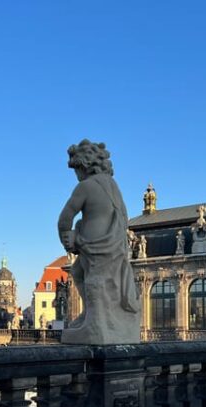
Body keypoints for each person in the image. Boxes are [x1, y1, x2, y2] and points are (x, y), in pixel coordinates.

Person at [58, 140, 140, 344]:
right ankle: (92, 316)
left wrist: (67, 237)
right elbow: (122, 216)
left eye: (77, 170)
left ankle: (96, 323)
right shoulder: (113, 186)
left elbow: (65, 216)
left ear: (84, 165)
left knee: (95, 280)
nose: (76, 175)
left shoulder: (85, 186)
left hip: (94, 244)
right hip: (113, 242)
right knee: (80, 273)